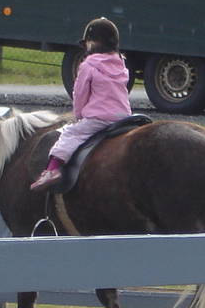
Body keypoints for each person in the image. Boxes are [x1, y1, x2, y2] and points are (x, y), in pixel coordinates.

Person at [30, 17, 132, 192]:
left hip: (99, 118)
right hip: (124, 117)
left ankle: (52, 170)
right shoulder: (121, 63)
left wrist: (78, 116)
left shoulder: (88, 65)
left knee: (70, 134)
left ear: (92, 42)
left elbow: (80, 94)